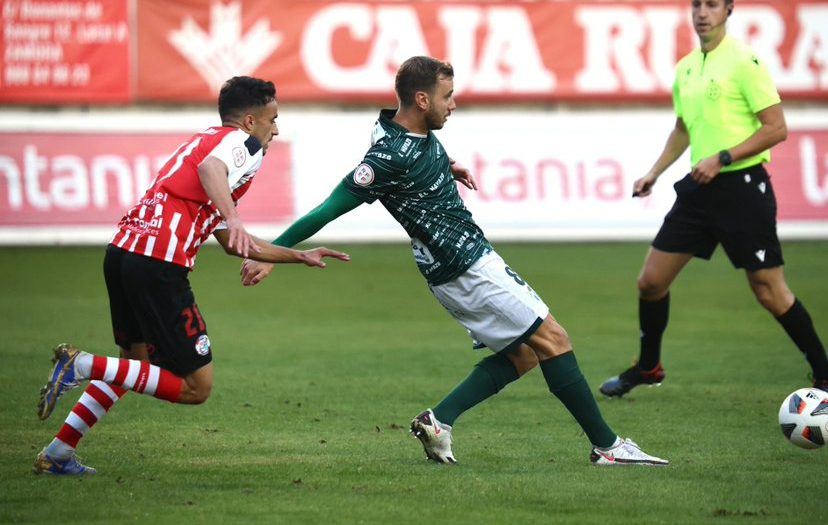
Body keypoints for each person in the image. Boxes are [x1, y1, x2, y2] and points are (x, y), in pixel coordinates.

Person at [241, 56, 668, 467]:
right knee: (554, 339)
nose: (453, 103)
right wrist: (271, 253)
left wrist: (446, 165)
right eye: (447, 95)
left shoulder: (398, 129)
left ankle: (439, 420)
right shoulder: (387, 158)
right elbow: (328, 208)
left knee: (524, 354)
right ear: (422, 99)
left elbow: (413, 150)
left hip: (457, 267)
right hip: (466, 267)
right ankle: (608, 447)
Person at [34, 76, 350, 475]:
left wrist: (298, 256)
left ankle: (58, 453)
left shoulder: (204, 140)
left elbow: (233, 242)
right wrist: (234, 216)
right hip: (158, 263)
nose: (276, 130)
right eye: (272, 119)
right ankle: (81, 365)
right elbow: (211, 170)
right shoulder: (242, 144)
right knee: (196, 387)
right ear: (249, 121)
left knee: (133, 364)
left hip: (123, 253)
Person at [599, 0, 828, 402]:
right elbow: (683, 128)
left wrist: (724, 157)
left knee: (769, 291)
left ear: (729, 9)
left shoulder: (745, 62)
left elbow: (776, 128)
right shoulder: (686, 67)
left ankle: (827, 376)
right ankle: (649, 366)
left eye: (712, 4)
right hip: (700, 189)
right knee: (651, 282)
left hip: (742, 189)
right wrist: (654, 172)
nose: (702, 13)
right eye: (696, 4)